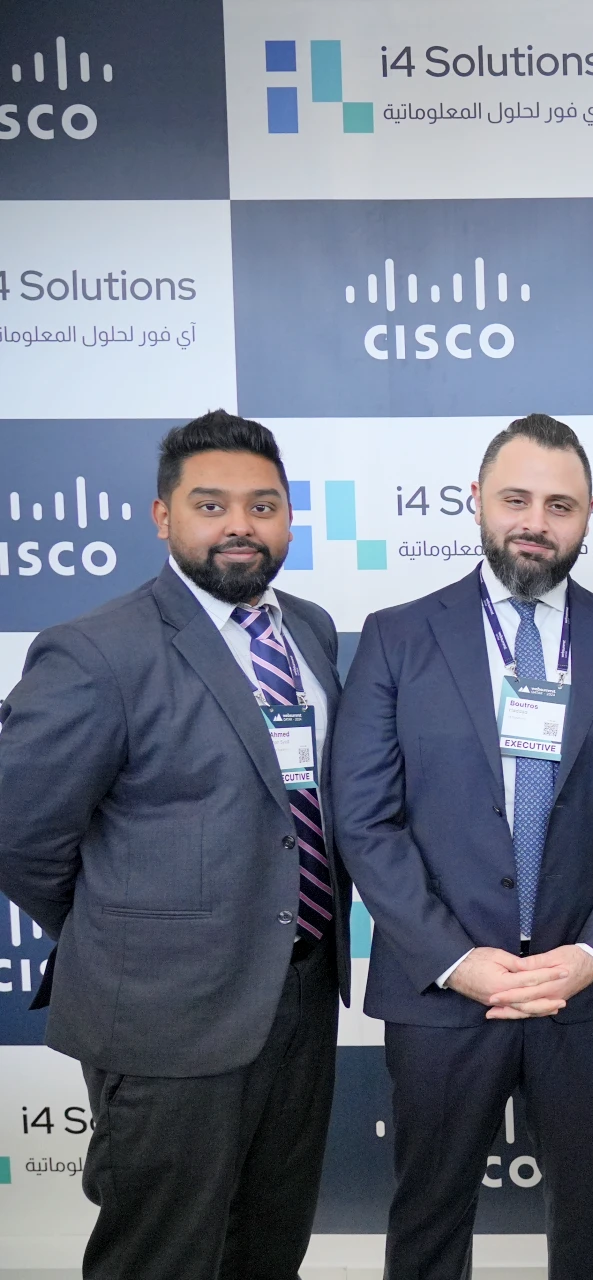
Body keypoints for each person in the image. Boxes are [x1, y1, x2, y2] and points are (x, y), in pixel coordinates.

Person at [0, 411, 350, 1279]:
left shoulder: (308, 630)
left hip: (298, 1000)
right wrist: (125, 925)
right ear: (163, 518)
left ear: (289, 518)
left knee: (268, 1248)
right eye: (212, 504)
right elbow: (18, 829)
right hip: (164, 1017)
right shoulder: (95, 652)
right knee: (160, 1260)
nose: (242, 525)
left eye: (264, 505)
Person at [331, 414, 593, 1279]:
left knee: (591, 1228)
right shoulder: (397, 635)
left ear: (591, 514)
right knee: (429, 1219)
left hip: (582, 988)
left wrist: (592, 953)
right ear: (477, 501)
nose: (536, 521)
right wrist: (455, 958)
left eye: (560, 505)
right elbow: (365, 818)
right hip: (442, 991)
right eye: (516, 498)